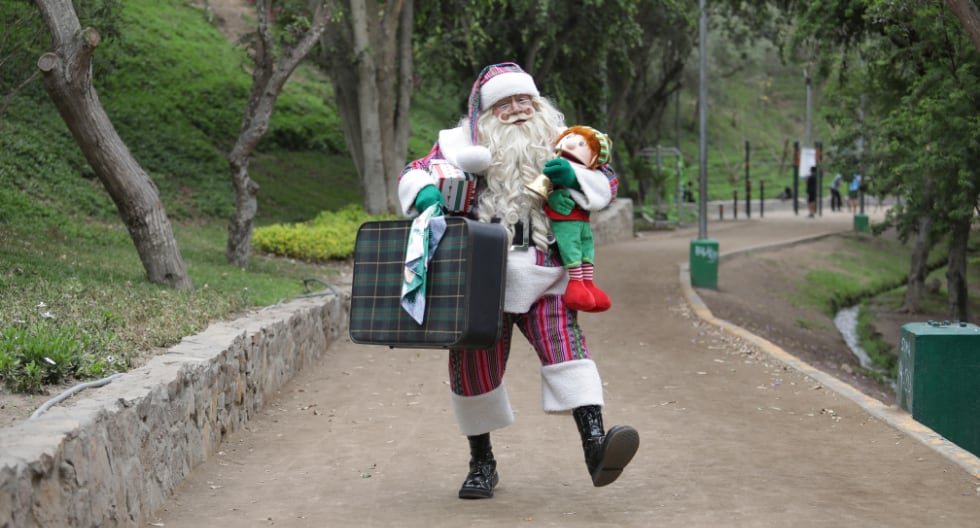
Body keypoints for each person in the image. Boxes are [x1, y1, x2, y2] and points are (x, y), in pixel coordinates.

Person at [397, 62, 639, 499]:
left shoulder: (564, 141)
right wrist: (427, 191)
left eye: (524, 100)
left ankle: (596, 447)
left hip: (546, 270)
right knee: (474, 366)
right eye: (505, 103)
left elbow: (606, 179)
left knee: (568, 351)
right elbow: (416, 171)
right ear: (488, 113)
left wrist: (576, 176)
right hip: (480, 274)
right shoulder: (458, 145)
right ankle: (482, 463)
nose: (518, 110)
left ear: (537, 103)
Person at [544, 125, 613, 312]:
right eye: (568, 139)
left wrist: (575, 179)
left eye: (581, 144)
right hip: (561, 223)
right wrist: (551, 197)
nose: (570, 145)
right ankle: (576, 283)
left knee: (587, 248)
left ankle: (588, 284)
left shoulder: (552, 130)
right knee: (572, 248)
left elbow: (610, 185)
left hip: (582, 219)